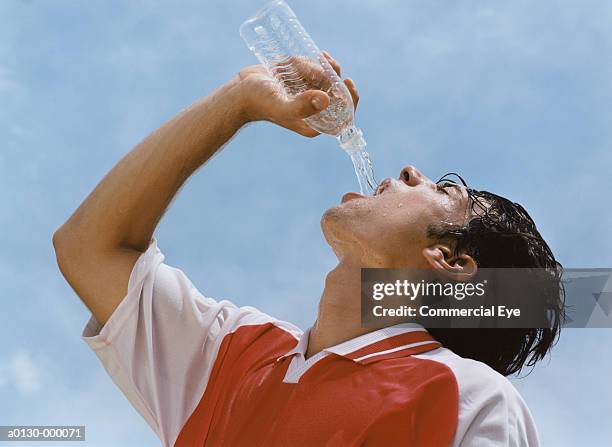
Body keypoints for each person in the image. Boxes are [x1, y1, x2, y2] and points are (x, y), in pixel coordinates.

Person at [53, 52, 563, 446]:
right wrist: (238, 101)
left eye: (443, 190)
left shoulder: (470, 399)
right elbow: (91, 247)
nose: (411, 172)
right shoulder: (234, 352)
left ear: (450, 263)